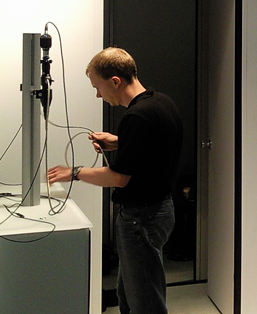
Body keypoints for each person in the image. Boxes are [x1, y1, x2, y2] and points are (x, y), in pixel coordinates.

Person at [48, 47, 183, 314]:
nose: (98, 95)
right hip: (161, 210)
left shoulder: (136, 116)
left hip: (141, 218)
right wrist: (119, 142)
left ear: (115, 81)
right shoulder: (161, 103)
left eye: (97, 87)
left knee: (145, 304)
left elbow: (118, 178)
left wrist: (73, 172)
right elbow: (154, 146)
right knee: (131, 295)